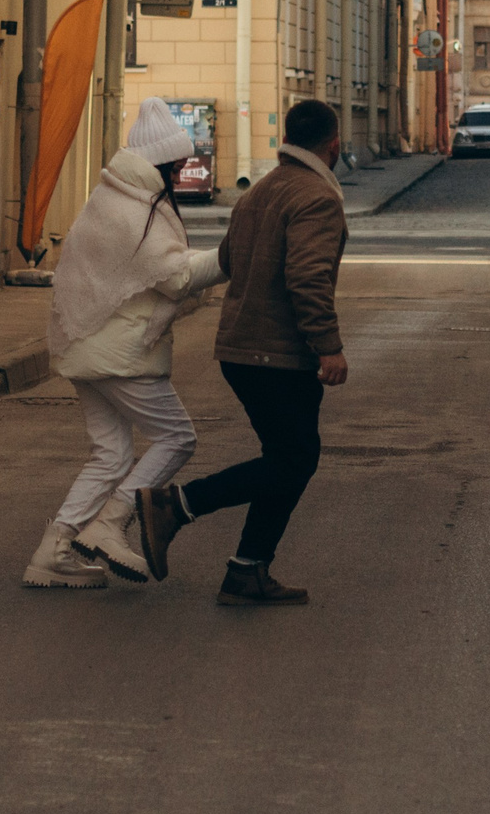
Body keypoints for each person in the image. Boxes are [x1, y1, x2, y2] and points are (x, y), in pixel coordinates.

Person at [137, 98, 349, 606]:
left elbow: (229, 259)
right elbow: (308, 278)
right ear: (334, 146)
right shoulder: (317, 197)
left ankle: (247, 570)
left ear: (287, 140)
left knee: (288, 458)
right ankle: (177, 505)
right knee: (294, 459)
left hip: (241, 349)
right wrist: (329, 347)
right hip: (277, 353)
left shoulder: (259, 191)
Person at [21, 98, 223, 590]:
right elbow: (175, 278)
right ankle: (111, 524)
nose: (181, 173)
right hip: (119, 353)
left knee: (110, 454)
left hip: (85, 345)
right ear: (161, 162)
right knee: (177, 437)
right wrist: (231, 256)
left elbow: (159, 267)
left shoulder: (111, 195)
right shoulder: (135, 209)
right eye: (176, 165)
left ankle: (52, 551)